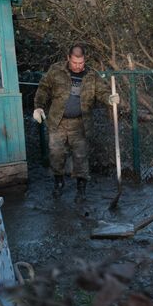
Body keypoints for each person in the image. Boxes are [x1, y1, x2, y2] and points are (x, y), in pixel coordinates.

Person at [33, 44, 119, 203]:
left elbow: (102, 91)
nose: (78, 66)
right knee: (56, 155)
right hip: (57, 122)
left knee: (81, 157)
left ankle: (81, 191)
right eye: (75, 63)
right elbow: (43, 89)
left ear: (84, 60)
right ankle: (58, 183)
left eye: (81, 63)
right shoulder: (56, 70)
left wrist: (109, 98)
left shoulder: (91, 75)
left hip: (81, 125)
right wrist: (38, 107)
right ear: (68, 58)